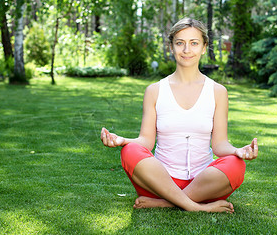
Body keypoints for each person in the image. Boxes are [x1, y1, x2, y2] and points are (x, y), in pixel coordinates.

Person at [100, 18, 258, 213]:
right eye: (180, 43)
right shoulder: (154, 90)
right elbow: (147, 142)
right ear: (171, 47)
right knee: (129, 151)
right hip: (159, 180)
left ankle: (166, 202)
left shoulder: (218, 92)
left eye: (194, 43)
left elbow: (219, 145)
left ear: (203, 47)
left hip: (204, 180)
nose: (186, 50)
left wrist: (237, 151)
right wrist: (122, 140)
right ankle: (198, 207)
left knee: (237, 165)